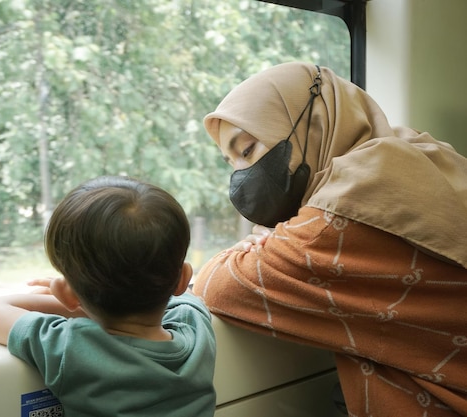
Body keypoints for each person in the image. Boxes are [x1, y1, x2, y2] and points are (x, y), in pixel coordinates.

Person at [192, 61, 467, 416]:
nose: (240, 176)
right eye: (230, 163)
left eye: (247, 151)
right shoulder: (420, 153)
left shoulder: (340, 216)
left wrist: (253, 249)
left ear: (314, 124)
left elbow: (220, 288)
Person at [0, 175, 216, 417]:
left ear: (66, 294)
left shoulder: (73, 347)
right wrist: (80, 295)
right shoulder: (196, 328)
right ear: (184, 276)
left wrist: (76, 299)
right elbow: (180, 293)